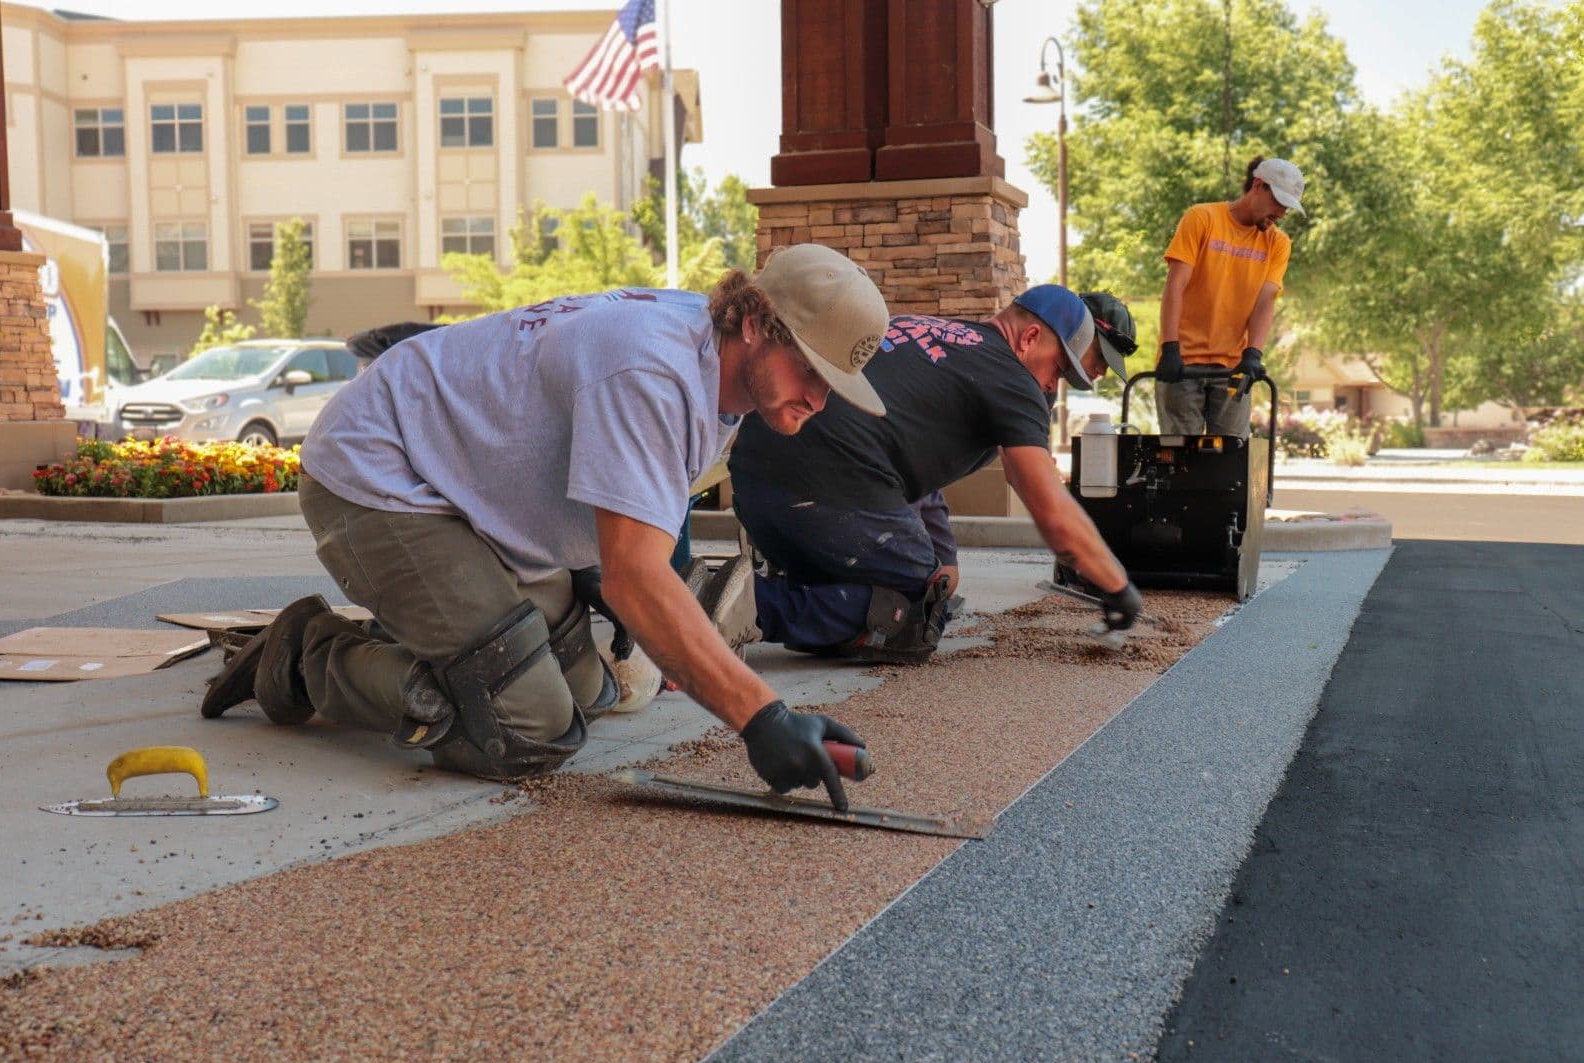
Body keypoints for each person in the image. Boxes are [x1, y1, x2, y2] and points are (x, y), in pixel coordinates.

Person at [201, 244, 891, 811]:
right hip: (380, 476)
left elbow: (619, 509)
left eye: (832, 383)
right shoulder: (654, 369)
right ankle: (304, 655)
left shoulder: (714, 363)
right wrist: (763, 717)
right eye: (810, 368)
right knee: (524, 729)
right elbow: (637, 577)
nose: (818, 398)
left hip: (465, 487)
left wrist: (592, 563)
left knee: (591, 693)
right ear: (756, 323)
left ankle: (434, 638)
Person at [726, 286, 1143, 664]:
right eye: (1059, 370)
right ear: (1029, 338)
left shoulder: (935, 336)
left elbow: (907, 462)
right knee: (917, 609)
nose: (1053, 386)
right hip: (823, 488)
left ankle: (762, 592)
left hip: (754, 479)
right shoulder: (1013, 379)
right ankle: (748, 607)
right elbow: (1049, 505)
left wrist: (942, 556)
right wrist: (1115, 584)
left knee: (918, 583)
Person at [1155, 155, 1304, 437]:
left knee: (1233, 455)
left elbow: (1266, 300)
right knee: (1180, 456)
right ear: (1257, 186)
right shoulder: (1202, 218)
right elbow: (1175, 285)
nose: (1281, 213)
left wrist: (1253, 354)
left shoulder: (1278, 243)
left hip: (1233, 368)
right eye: (1278, 202)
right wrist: (1170, 348)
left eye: (1287, 207)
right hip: (1183, 363)